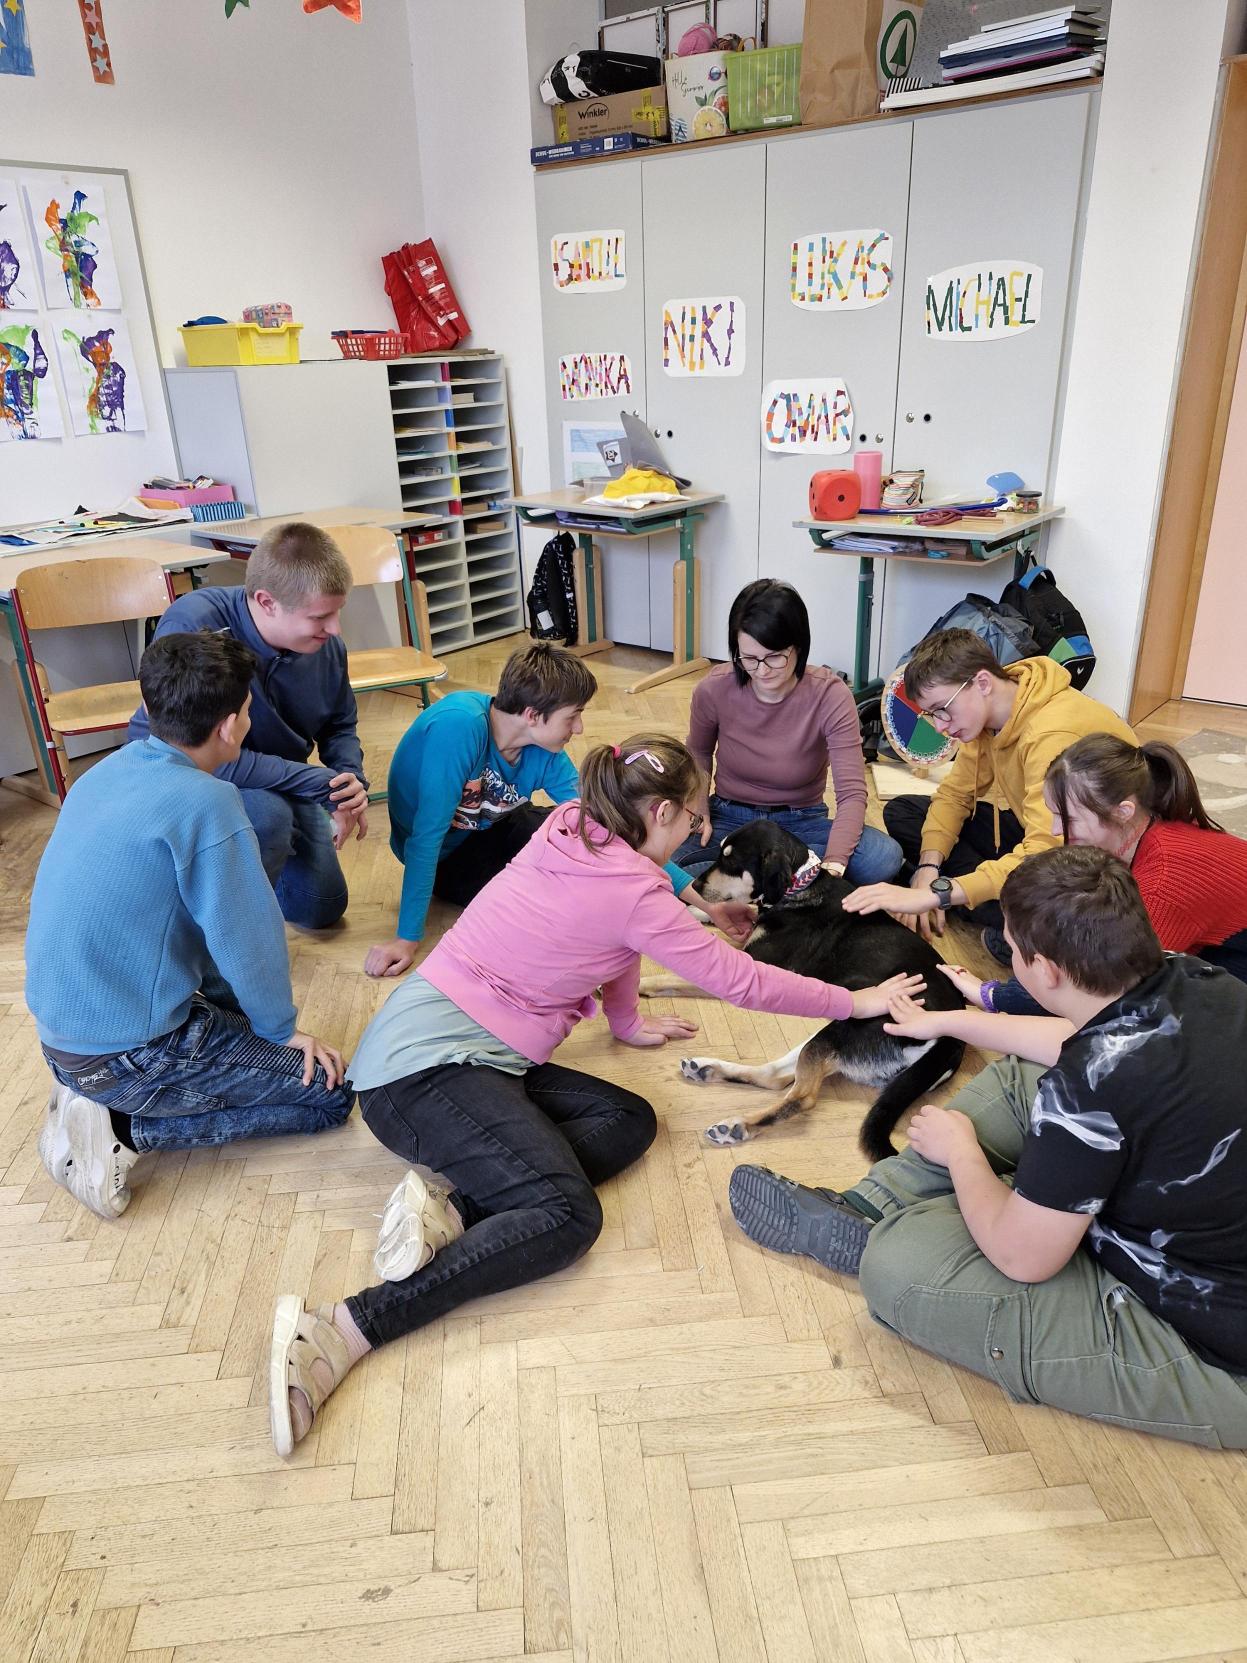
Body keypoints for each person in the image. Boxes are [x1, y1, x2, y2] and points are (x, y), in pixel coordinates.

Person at [270, 734, 923, 1456]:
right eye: (693, 818)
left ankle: (451, 1211)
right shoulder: (636, 893)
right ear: (664, 812)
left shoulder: (573, 822)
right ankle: (343, 1326)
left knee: (627, 1118)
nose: (696, 833)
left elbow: (616, 935)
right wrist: (857, 1003)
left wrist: (627, 1019)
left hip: (472, 1053)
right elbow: (740, 980)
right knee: (566, 1217)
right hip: (417, 1077)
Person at [730, 846, 1247, 1449]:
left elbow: (1024, 1259)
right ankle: (868, 1206)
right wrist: (949, 1021)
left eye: (1015, 951)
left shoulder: (1088, 1091)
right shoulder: (1196, 976)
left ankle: (901, 1220)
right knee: (1019, 1074)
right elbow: (1085, 1042)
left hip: (1212, 1351)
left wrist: (963, 1156)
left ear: (1044, 969)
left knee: (897, 1265)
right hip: (1203, 1231)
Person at [28, 632, 354, 1220]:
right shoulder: (209, 803)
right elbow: (247, 940)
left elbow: (207, 939)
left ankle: (96, 1099)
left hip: (67, 1038)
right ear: (230, 727)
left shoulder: (107, 770)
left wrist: (252, 1028)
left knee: (247, 1037)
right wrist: (280, 1031)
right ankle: (120, 1130)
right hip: (128, 1055)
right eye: (249, 711)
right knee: (331, 1095)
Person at [364, 642, 751, 979]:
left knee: (592, 843)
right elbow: (425, 840)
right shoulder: (459, 728)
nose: (579, 728)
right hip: (447, 856)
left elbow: (613, 826)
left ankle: (668, 900)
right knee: (555, 903)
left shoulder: (542, 748)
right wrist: (406, 938)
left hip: (497, 824)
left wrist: (706, 903)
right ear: (533, 715)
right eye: (573, 715)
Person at [128, 521, 368, 931]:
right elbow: (197, 753)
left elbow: (340, 724)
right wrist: (316, 783)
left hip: (276, 776)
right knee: (269, 816)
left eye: (337, 611)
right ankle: (219, 928)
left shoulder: (327, 647)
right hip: (196, 778)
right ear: (266, 602)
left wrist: (347, 786)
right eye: (320, 616)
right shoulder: (197, 627)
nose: (335, 628)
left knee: (322, 906)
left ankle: (252, 875)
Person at [842, 628, 1135, 959]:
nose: (939, 726)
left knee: (1045, 898)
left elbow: (1048, 852)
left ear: (982, 683)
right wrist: (928, 868)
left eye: (941, 709)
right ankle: (980, 901)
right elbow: (955, 795)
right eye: (931, 715)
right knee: (905, 812)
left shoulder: (1051, 733)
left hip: (1090, 864)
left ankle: (1015, 923)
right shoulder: (988, 716)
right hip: (1042, 833)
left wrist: (940, 892)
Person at [948, 733, 1247, 1015]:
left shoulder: (1161, 884)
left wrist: (994, 996)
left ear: (1123, 811)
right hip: (1215, 936)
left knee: (1140, 1012)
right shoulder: (1143, 829)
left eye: (1068, 818)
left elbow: (1102, 990)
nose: (1055, 829)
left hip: (1235, 958)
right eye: (1054, 814)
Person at [673, 578, 903, 883]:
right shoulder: (714, 688)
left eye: (774, 657)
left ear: (799, 646)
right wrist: (700, 810)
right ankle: (787, 881)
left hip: (801, 823)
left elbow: (851, 793)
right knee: (662, 852)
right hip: (729, 818)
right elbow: (699, 754)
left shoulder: (830, 695)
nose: (762, 670)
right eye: (749, 659)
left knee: (883, 856)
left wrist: (834, 865)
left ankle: (736, 881)